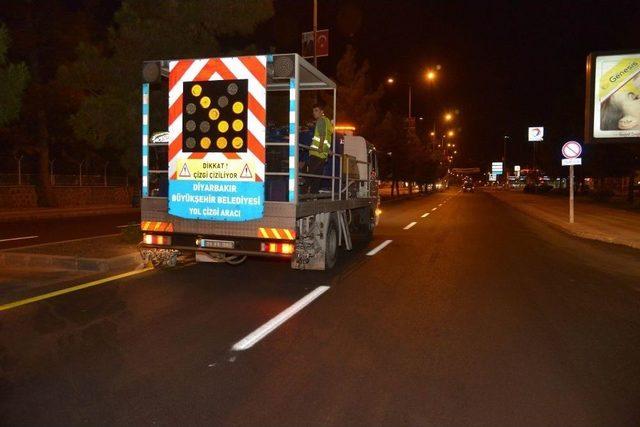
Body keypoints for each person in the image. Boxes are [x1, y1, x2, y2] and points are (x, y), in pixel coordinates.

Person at [307, 102, 333, 193]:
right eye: (313, 111)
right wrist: (327, 150)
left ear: (322, 111)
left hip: (316, 153)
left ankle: (305, 193)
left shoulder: (320, 121)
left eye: (316, 110)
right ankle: (313, 195)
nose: (314, 112)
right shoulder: (327, 121)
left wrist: (320, 147)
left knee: (310, 175)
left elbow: (322, 135)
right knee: (317, 177)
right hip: (323, 155)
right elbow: (327, 137)